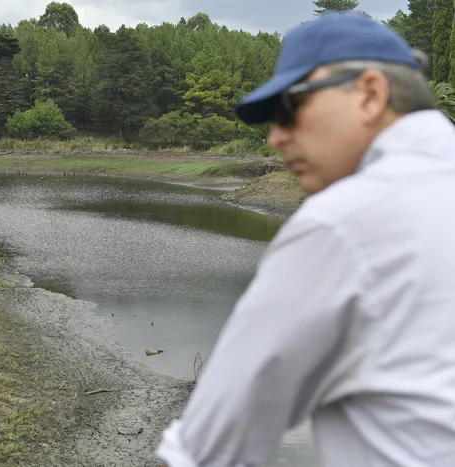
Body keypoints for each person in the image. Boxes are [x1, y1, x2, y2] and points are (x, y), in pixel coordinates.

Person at [156, 12, 455, 467]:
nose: (275, 137)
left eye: (288, 109)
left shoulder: (346, 221)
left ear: (371, 93)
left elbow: (209, 450)